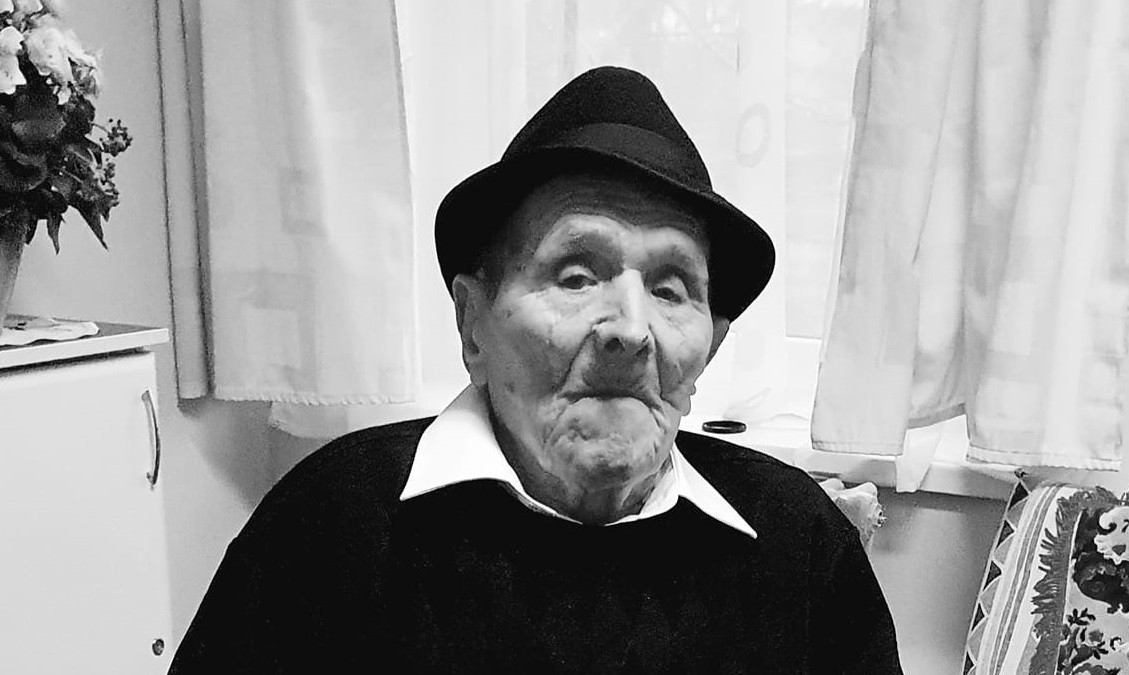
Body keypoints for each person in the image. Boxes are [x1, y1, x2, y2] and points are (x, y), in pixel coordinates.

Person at [169, 66, 902, 674]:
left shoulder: (799, 544)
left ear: (709, 345)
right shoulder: (328, 529)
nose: (630, 329)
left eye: (672, 288)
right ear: (473, 323)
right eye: (576, 275)